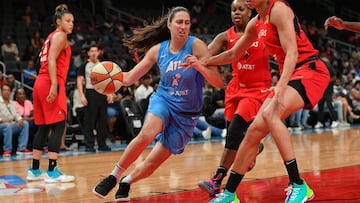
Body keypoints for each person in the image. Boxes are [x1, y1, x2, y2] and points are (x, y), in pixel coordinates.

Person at [93, 6, 224, 201]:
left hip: (187, 116)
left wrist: (199, 66)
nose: (183, 26)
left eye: (187, 23)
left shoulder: (197, 46)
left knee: (152, 165)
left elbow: (218, 82)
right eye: (179, 22)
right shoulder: (158, 50)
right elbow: (129, 78)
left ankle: (126, 181)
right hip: (164, 101)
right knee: (146, 134)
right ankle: (113, 176)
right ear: (169, 24)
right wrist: (109, 80)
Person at [205, 0, 330, 202]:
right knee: (253, 132)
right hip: (292, 75)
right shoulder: (256, 22)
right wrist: (203, 62)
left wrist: (280, 85)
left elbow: (292, 52)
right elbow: (233, 53)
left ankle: (298, 185)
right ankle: (229, 194)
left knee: (270, 114)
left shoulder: (278, 9)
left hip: (309, 70)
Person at [197, 0, 271, 196]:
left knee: (234, 133)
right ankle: (253, 151)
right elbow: (205, 56)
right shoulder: (225, 36)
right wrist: (191, 62)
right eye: (233, 10)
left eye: (241, 9)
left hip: (257, 90)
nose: (236, 13)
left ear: (250, 11)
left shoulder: (263, 31)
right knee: (234, 137)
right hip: (235, 90)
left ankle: (217, 180)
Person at [26, 4, 75, 183]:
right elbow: (52, 60)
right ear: (58, 22)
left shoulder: (50, 37)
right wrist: (54, 84)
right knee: (58, 125)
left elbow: (42, 62)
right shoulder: (61, 35)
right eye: (68, 21)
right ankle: (52, 172)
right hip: (50, 81)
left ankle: (34, 169)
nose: (71, 24)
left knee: (44, 127)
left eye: (72, 22)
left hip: (41, 81)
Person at [77, 45, 112, 152]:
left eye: (95, 51)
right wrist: (82, 96)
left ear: (98, 53)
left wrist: (110, 93)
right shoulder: (84, 65)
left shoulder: (103, 65)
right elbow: (79, 81)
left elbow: (108, 79)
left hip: (102, 92)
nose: (93, 53)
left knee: (102, 120)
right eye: (91, 51)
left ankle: (102, 144)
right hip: (90, 92)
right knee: (89, 121)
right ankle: (89, 145)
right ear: (88, 53)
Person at [0, 84, 31, 156]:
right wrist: (2, 120)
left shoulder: (12, 103)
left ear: (10, 92)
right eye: (4, 90)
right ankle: (7, 150)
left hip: (11, 125)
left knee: (25, 123)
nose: (6, 92)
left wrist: (20, 119)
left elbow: (16, 114)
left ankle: (21, 148)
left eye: (8, 90)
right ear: (1, 92)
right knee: (7, 125)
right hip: (1, 125)